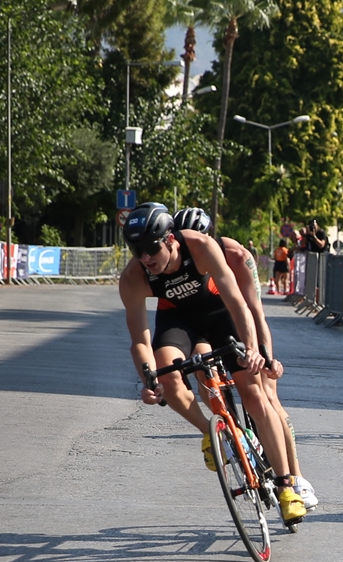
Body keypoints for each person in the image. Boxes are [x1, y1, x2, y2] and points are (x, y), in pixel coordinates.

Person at [119, 203, 306, 524]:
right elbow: (140, 340)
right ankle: (211, 431)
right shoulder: (134, 277)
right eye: (136, 250)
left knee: (254, 395)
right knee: (168, 378)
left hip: (219, 313)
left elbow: (238, 301)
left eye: (151, 248)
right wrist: (148, 380)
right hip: (178, 319)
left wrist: (252, 348)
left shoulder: (201, 246)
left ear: (170, 240)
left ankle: (287, 486)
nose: (145, 257)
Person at [172, 207, 317, 508]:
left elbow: (255, 312)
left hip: (241, 323)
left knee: (267, 396)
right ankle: (231, 434)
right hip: (205, 324)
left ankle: (297, 478)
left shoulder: (236, 256)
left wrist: (265, 356)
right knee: (203, 371)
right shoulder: (178, 262)